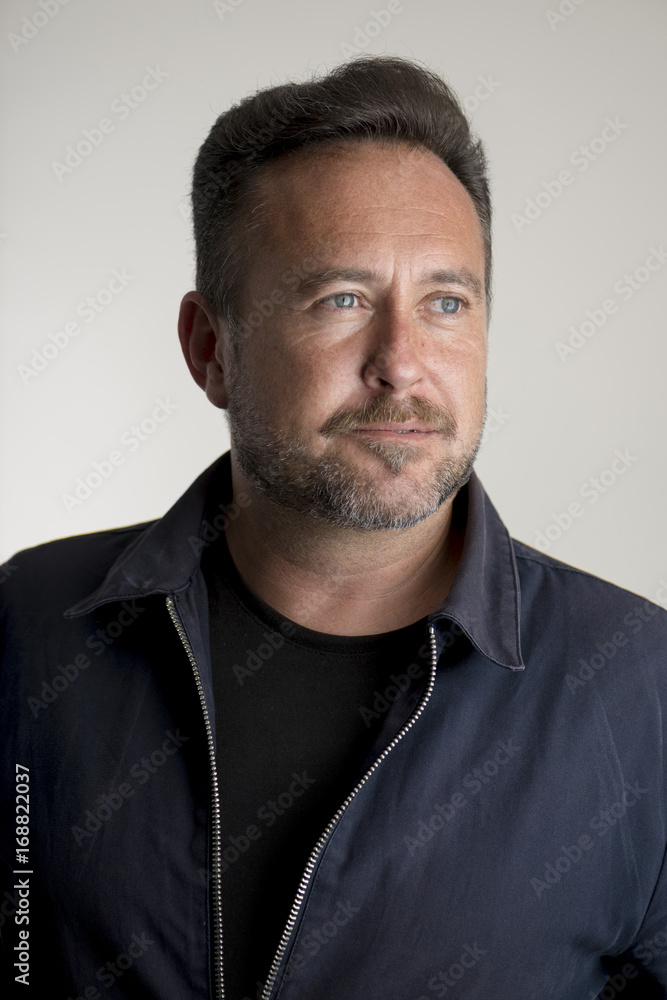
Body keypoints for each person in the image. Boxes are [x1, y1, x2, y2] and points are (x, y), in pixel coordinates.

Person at [1, 55, 666, 1000]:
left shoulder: (640, 690)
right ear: (210, 349)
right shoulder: (31, 624)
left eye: (446, 302)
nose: (402, 363)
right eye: (340, 300)